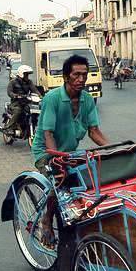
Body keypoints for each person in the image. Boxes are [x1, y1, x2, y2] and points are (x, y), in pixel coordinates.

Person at [31, 54, 109, 248]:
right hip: (47, 151)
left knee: (91, 178)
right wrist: (56, 159)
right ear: (66, 77)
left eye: (85, 75)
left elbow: (94, 131)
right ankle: (47, 220)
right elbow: (48, 133)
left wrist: (114, 150)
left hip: (70, 152)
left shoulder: (87, 99)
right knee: (59, 182)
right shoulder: (52, 98)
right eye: (76, 75)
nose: (81, 79)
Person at [2, 64, 40, 134]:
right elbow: (9, 92)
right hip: (15, 103)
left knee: (35, 110)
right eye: (26, 74)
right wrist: (15, 96)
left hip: (26, 102)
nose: (27, 76)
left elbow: (35, 90)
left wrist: (40, 96)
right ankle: (8, 127)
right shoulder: (13, 82)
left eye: (28, 75)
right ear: (21, 74)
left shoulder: (29, 82)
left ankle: (31, 124)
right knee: (18, 111)